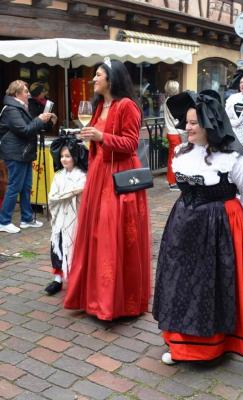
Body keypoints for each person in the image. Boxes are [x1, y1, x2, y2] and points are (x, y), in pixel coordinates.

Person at [153, 91, 243, 364]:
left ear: (209, 124)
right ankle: (179, 345)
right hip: (182, 226)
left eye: (194, 122)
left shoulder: (233, 157)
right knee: (180, 281)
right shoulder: (182, 151)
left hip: (216, 231)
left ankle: (211, 346)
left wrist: (226, 214)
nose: (187, 127)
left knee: (210, 284)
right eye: (187, 121)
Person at [64, 59, 151, 320]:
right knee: (96, 234)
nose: (93, 79)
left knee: (115, 235)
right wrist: (89, 138)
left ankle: (115, 302)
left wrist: (102, 138)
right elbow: (98, 141)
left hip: (120, 177)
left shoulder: (128, 106)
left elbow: (131, 143)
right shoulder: (100, 105)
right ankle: (94, 297)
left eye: (98, 75)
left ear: (112, 79)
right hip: (99, 175)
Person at [0, 80, 56, 234]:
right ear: (17, 93)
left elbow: (32, 127)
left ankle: (26, 218)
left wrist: (46, 121)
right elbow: (24, 130)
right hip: (15, 153)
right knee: (14, 186)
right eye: (25, 91)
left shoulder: (20, 107)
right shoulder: (11, 109)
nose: (28, 94)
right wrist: (39, 119)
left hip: (23, 152)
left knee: (26, 187)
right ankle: (3, 221)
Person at [45, 133, 88, 295]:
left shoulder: (82, 176)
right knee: (57, 245)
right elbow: (52, 197)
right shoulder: (58, 175)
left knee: (75, 246)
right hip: (60, 219)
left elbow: (83, 194)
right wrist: (71, 192)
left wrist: (76, 192)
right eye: (62, 156)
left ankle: (77, 278)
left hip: (74, 217)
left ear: (75, 157)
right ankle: (57, 279)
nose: (64, 159)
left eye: (68, 156)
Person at [163, 80, 182, 191]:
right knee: (174, 158)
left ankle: (172, 180)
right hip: (175, 132)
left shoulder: (167, 100)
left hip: (171, 132)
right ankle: (172, 182)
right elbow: (176, 120)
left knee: (172, 157)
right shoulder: (172, 102)